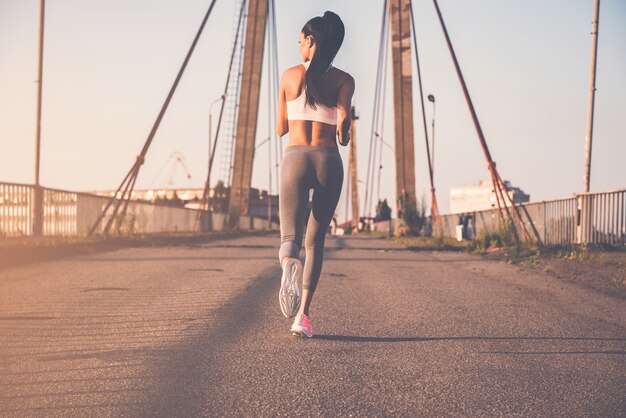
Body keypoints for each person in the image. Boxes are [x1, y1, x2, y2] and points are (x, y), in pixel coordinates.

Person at [276, 11, 355, 338]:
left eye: (300, 40)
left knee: (290, 238)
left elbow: (281, 128)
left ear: (311, 42)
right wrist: (344, 131)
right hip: (327, 160)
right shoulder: (344, 80)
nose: (298, 45)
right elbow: (343, 128)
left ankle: (287, 265)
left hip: (295, 157)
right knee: (316, 241)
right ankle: (303, 317)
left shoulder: (289, 76)